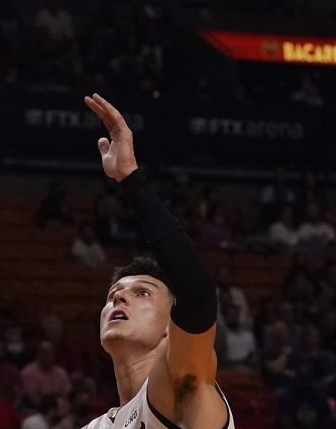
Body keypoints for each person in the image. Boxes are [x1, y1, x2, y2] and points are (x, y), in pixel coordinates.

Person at [81, 94, 234, 428]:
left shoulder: (184, 386)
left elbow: (196, 296)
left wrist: (130, 180)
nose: (118, 297)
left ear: (171, 327)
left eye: (143, 292)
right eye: (113, 294)